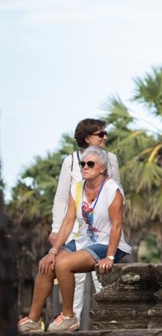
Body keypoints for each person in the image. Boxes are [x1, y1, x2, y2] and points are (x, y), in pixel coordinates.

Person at [18, 146, 131, 333]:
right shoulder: (77, 188)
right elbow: (68, 221)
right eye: (82, 164)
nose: (84, 167)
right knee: (48, 264)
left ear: (102, 168)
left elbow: (117, 225)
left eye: (90, 164)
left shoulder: (113, 190)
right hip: (84, 239)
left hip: (108, 243)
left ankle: (69, 317)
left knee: (63, 264)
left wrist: (110, 257)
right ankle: (34, 320)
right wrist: (53, 251)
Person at [50, 118, 122, 327]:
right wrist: (56, 229)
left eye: (104, 133)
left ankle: (108, 326)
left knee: (104, 278)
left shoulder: (111, 159)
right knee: (74, 281)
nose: (105, 137)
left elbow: (117, 193)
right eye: (100, 134)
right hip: (76, 232)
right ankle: (71, 323)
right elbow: (62, 198)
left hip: (104, 233)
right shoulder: (71, 161)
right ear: (86, 138)